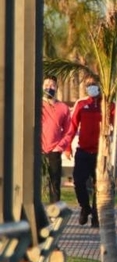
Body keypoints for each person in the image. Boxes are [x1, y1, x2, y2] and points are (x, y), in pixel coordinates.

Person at [65, 76, 114, 228]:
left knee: (99, 185)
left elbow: (116, 125)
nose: (91, 86)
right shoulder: (81, 104)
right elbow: (72, 127)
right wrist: (67, 147)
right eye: (88, 84)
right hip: (83, 151)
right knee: (78, 181)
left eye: (94, 84)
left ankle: (95, 215)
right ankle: (84, 207)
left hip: (101, 153)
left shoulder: (108, 105)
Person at [41, 75, 71, 204]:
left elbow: (69, 131)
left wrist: (61, 146)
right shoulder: (36, 105)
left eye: (52, 85)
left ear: (57, 87)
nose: (49, 88)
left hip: (55, 150)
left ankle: (55, 212)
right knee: (37, 183)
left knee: (54, 183)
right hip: (38, 150)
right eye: (46, 85)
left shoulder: (63, 108)